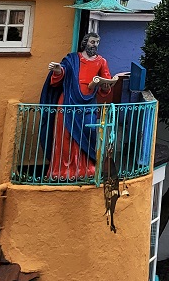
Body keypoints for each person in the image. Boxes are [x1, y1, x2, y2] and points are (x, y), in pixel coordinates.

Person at [40, 33, 120, 181]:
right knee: (65, 137)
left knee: (89, 134)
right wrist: (58, 70)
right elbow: (61, 73)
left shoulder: (101, 61)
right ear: (85, 43)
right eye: (92, 41)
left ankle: (86, 167)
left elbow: (106, 86)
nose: (95, 45)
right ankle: (61, 169)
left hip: (88, 105)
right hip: (68, 103)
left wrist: (105, 85)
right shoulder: (72, 59)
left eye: (97, 42)